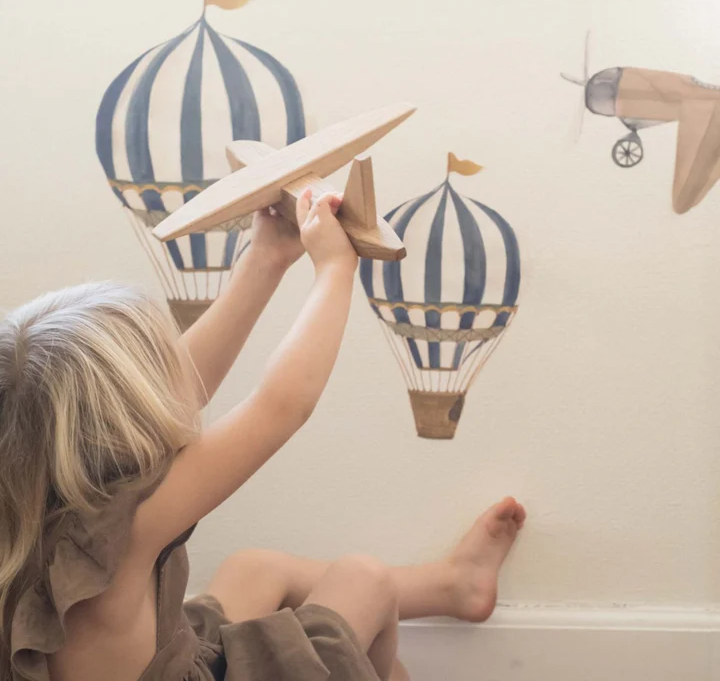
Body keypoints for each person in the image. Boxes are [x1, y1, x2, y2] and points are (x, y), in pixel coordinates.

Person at [0, 190, 525, 681]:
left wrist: (266, 258)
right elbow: (282, 405)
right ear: (131, 423)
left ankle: (453, 585)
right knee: (365, 580)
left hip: (171, 654)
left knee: (254, 569)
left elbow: (179, 384)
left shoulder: (33, 496)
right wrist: (335, 269)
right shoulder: (122, 528)